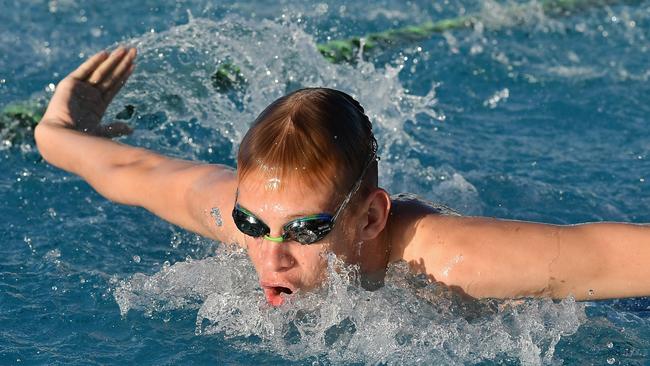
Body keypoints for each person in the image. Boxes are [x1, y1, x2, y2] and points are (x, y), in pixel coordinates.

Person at [35, 47, 650, 306]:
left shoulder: (449, 259)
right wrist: (64, 123)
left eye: (305, 231)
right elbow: (123, 167)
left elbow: (600, 257)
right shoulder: (247, 216)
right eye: (253, 223)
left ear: (371, 218)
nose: (270, 258)